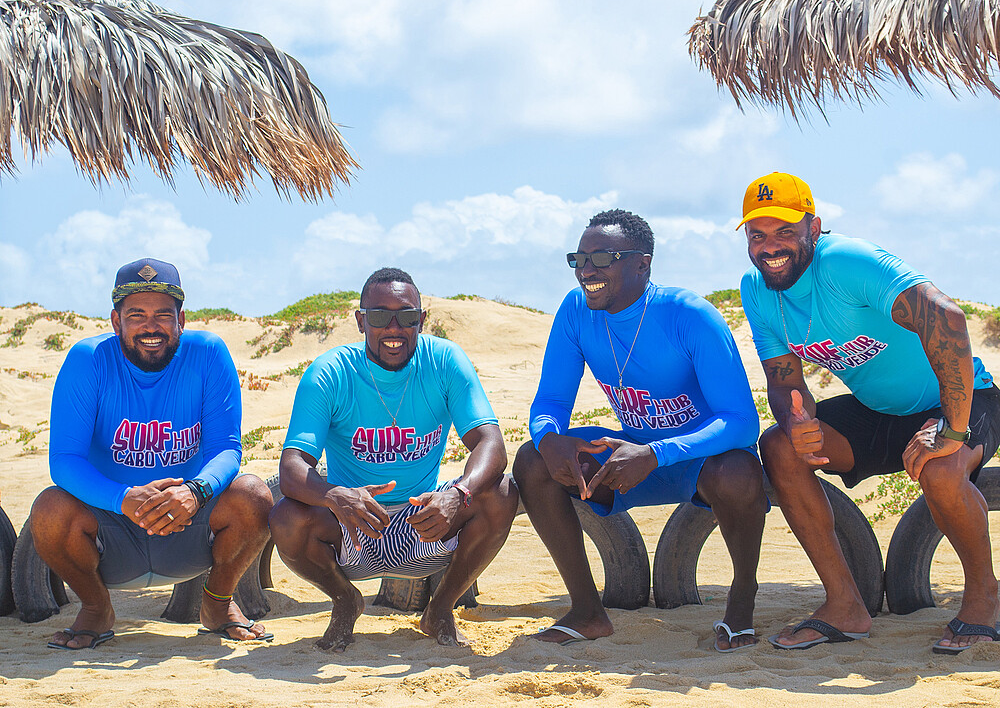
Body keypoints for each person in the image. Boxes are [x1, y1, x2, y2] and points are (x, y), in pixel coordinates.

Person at [739, 172, 1000, 653]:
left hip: (961, 397)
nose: (770, 246)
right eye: (758, 235)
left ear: (813, 229)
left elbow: (945, 318)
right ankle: (844, 605)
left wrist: (953, 428)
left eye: (784, 232)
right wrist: (796, 422)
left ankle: (985, 598)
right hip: (878, 411)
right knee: (779, 448)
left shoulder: (846, 262)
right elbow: (783, 377)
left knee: (941, 469)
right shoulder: (757, 290)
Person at [513, 210, 767, 652]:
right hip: (630, 457)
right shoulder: (576, 311)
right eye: (579, 259)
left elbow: (742, 421)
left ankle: (742, 599)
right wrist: (549, 438)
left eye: (603, 258)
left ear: (641, 264)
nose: (587, 271)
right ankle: (588, 612)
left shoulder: (689, 315)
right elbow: (551, 402)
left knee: (739, 473)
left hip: (700, 461)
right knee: (533, 461)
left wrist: (656, 454)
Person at [269, 267, 518, 651]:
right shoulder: (331, 373)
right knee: (287, 516)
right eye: (380, 317)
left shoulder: (444, 360)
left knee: (499, 492)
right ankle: (345, 600)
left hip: (421, 523)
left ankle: (440, 609)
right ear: (360, 321)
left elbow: (491, 443)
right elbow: (291, 469)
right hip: (353, 523)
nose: (393, 328)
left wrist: (459, 494)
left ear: (421, 319)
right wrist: (336, 495)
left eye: (406, 316)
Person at [32, 258, 274, 650]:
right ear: (116, 321)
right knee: (48, 509)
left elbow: (226, 449)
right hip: (112, 530)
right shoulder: (88, 360)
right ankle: (95, 608)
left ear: (181, 319)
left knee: (255, 496)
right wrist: (123, 498)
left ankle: (217, 604)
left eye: (163, 314)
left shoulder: (208, 354)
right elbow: (64, 460)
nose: (151, 326)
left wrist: (194, 492)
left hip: (187, 525)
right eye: (137, 315)